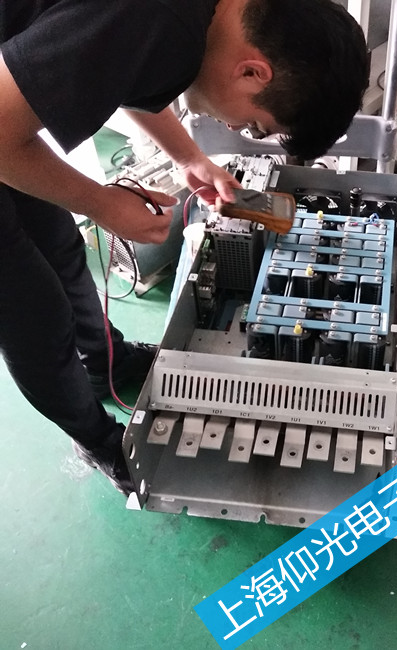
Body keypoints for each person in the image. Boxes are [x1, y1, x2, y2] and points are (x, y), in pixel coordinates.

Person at [0, 0, 369, 495]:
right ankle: (97, 440)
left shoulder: (204, 18)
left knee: (59, 248)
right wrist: (102, 205)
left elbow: (121, 60)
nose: (239, 130)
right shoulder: (157, 19)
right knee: (32, 313)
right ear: (253, 71)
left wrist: (188, 157)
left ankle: (107, 362)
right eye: (255, 125)